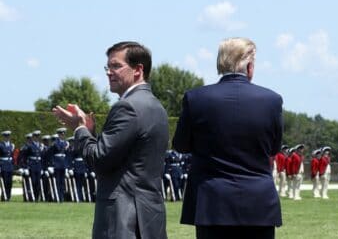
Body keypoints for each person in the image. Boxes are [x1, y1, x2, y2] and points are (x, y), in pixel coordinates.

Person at [53, 41, 169, 239]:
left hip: (123, 219)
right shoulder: (156, 106)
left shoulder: (127, 107)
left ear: (138, 69)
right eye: (108, 66)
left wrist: (80, 129)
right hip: (149, 216)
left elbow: (99, 159)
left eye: (116, 66)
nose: (109, 72)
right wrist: (90, 131)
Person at [173, 37, 283, 239]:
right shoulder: (272, 101)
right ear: (249, 66)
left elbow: (180, 144)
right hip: (258, 204)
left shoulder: (196, 99)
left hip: (212, 202)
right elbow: (274, 148)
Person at [0, 130, 15, 201]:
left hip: (10, 166)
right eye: (6, 136)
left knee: (9, 183)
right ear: (3, 137)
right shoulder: (1, 145)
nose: (7, 138)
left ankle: (8, 196)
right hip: (3, 165)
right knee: (5, 182)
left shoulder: (11, 145)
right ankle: (4, 196)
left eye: (8, 136)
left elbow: (12, 156)